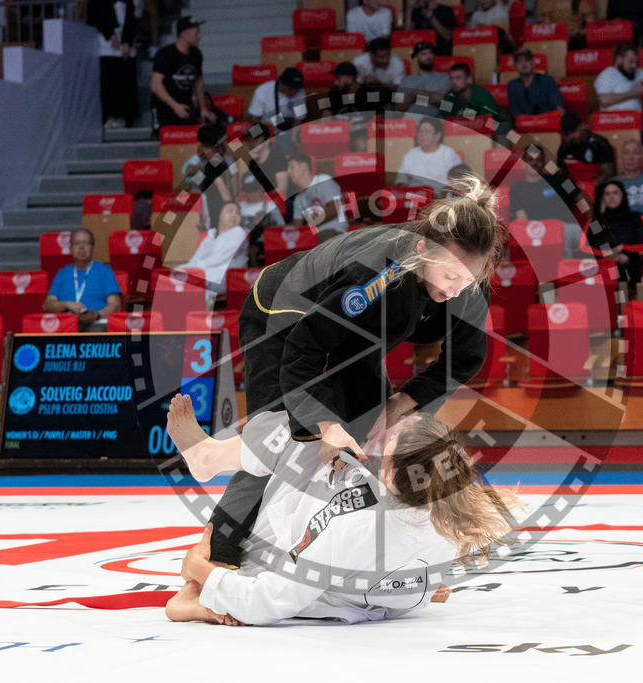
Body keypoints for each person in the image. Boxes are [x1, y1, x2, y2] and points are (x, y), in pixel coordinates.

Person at [204, 175, 506, 568]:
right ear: (422, 250)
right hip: (283, 315)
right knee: (279, 441)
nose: (455, 290)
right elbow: (306, 347)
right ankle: (214, 559)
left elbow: (466, 358)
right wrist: (326, 425)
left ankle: (394, 557)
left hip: (356, 334)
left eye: (466, 280)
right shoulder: (378, 273)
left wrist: (404, 401)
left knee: (376, 437)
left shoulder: (467, 273)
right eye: (449, 277)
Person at [163, 396, 522, 626]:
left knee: (299, 435)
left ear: (391, 474)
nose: (384, 439)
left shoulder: (355, 526)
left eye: (391, 443)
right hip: (367, 590)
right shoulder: (451, 500)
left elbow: (266, 600)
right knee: (339, 447)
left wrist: (200, 570)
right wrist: (420, 589)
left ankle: (206, 457)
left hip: (285, 569)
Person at [43, 228, 122, 330]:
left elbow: (115, 305)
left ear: (92, 248)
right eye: (77, 243)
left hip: (96, 324)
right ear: (71, 248)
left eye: (86, 243)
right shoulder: (62, 273)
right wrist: (68, 304)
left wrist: (96, 315)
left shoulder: (104, 271)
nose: (81, 247)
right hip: (66, 326)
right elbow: (47, 305)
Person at [509, 145, 579, 256]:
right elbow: (522, 219)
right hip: (539, 231)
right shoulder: (516, 188)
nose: (534, 164)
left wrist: (590, 221)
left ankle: (566, 270)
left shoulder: (560, 179)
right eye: (530, 160)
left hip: (564, 227)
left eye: (538, 160)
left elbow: (580, 197)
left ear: (544, 162)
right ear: (524, 163)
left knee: (563, 234)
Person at [585, 180, 643, 290]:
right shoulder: (596, 223)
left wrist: (623, 248)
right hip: (602, 265)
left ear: (623, 195)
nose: (611, 197)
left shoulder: (636, 219)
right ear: (603, 198)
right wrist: (615, 255)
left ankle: (622, 300)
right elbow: (587, 249)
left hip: (630, 262)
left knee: (623, 268)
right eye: (607, 194)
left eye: (615, 193)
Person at [150, 17, 210, 137]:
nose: (199, 36)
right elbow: (155, 85)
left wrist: (203, 108)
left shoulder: (197, 54)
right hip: (165, 107)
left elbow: (199, 83)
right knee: (165, 139)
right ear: (184, 34)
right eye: (196, 32)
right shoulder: (165, 54)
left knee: (197, 136)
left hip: (186, 106)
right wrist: (175, 106)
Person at [180, 201, 249, 300]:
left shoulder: (238, 232)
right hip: (204, 275)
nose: (234, 215)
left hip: (226, 279)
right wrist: (184, 268)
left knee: (185, 281)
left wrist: (192, 270)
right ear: (220, 214)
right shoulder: (210, 235)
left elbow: (220, 257)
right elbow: (196, 258)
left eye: (237, 213)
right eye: (230, 211)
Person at [87, 0, 139, 129]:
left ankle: (125, 117)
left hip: (125, 42)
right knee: (109, 80)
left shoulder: (130, 3)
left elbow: (132, 20)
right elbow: (94, 17)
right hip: (105, 43)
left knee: (126, 80)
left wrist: (127, 41)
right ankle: (109, 115)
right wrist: (110, 34)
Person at [184, 125, 238, 230]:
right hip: (214, 207)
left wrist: (230, 208)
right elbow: (198, 182)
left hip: (220, 210)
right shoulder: (209, 163)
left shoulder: (216, 163)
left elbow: (226, 190)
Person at [286, 152, 346, 241]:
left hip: (335, 233)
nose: (288, 172)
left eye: (291, 167)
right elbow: (297, 227)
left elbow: (334, 209)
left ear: (304, 166)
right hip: (314, 238)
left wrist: (309, 224)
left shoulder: (323, 180)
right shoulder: (298, 199)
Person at [395, 118, 462, 191]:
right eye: (420, 131)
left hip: (441, 197)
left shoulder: (448, 153)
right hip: (415, 197)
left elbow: (456, 182)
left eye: (427, 131)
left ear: (438, 135)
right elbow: (401, 180)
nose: (422, 134)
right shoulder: (411, 154)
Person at [556, 111, 616, 188]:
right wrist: (571, 190)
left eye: (573, 131)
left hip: (597, 190)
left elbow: (608, 173)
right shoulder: (564, 147)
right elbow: (560, 173)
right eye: (567, 133)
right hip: (573, 192)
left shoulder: (600, 143)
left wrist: (589, 188)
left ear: (582, 126)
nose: (571, 136)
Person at [506, 48, 565, 122]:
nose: (524, 64)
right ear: (514, 66)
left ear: (533, 63)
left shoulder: (547, 80)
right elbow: (515, 112)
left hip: (547, 123)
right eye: (519, 61)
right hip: (524, 126)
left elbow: (558, 107)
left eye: (527, 60)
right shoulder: (512, 86)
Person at [594, 42, 643, 113]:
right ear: (619, 59)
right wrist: (633, 93)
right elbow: (604, 100)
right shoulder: (607, 75)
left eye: (636, 62)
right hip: (615, 120)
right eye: (631, 62)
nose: (634, 66)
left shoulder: (636, 72)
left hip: (636, 119)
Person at [440, 62, 509, 122]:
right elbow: (444, 118)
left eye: (458, 77)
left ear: (469, 79)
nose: (454, 82)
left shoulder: (483, 94)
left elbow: (488, 121)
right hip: (465, 127)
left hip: (497, 123)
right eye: (451, 78)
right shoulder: (448, 96)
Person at [397, 41, 449, 118]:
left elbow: (448, 106)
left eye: (430, 53)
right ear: (416, 57)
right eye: (423, 54)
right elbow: (398, 108)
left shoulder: (444, 78)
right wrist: (415, 94)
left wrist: (415, 97)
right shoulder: (405, 80)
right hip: (412, 119)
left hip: (434, 120)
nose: (428, 56)